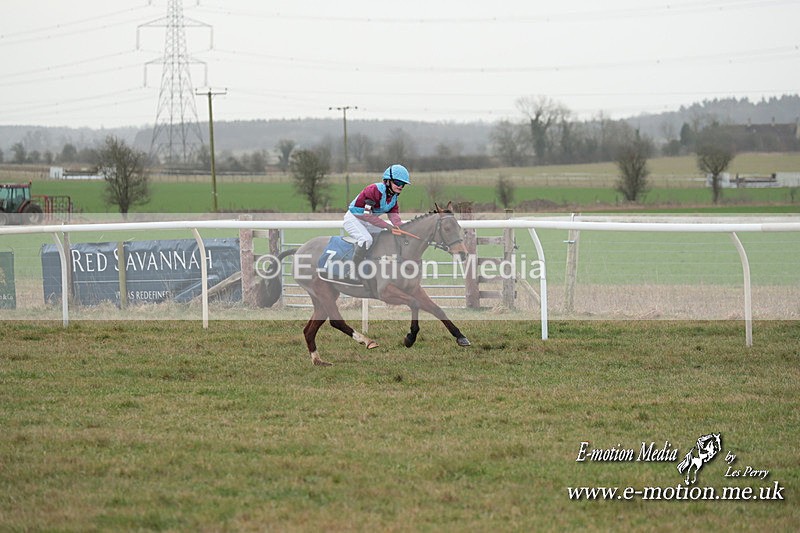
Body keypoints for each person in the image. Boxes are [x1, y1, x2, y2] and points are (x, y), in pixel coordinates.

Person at [343, 163, 410, 268]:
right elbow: (367, 216)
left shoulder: (393, 198)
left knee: (384, 238)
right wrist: (388, 227)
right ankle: (353, 270)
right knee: (366, 240)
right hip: (353, 219)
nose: (400, 186)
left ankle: (373, 265)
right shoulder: (374, 190)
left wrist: (407, 228)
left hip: (368, 221)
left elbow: (395, 220)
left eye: (403, 184)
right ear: (387, 181)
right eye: (398, 182)